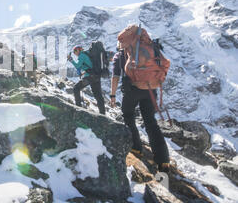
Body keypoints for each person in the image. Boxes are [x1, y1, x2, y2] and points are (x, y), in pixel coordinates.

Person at [110, 42, 170, 172]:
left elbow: (115, 76)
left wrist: (112, 95)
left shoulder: (120, 55)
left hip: (132, 90)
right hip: (150, 89)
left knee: (128, 116)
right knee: (151, 122)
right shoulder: (148, 51)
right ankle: (163, 160)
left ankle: (136, 148)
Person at [68, 45, 106, 115]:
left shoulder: (81, 55)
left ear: (78, 50)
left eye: (74, 52)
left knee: (76, 88)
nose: (75, 54)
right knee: (98, 95)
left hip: (90, 78)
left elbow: (77, 65)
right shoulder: (87, 54)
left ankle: (78, 107)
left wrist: (71, 59)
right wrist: (83, 73)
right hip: (96, 76)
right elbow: (89, 66)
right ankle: (103, 113)